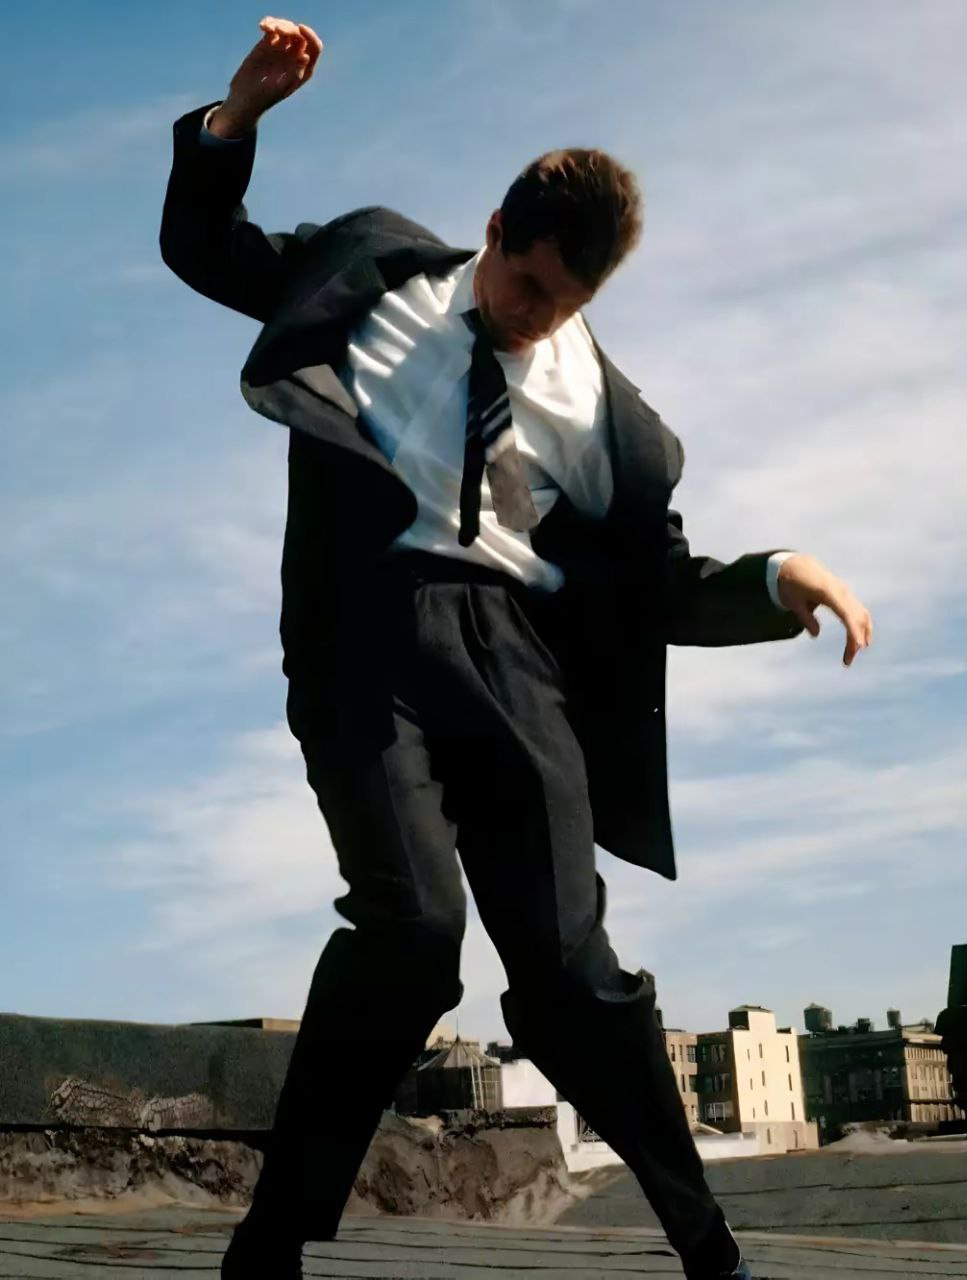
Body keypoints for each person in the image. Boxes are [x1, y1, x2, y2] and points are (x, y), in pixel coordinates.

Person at [160, 17, 873, 1280]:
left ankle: (707, 1243)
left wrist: (777, 576)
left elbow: (658, 583)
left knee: (574, 974)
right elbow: (206, 249)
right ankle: (272, 1238)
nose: (537, 319)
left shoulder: (608, 415)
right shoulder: (372, 268)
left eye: (568, 303)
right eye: (527, 285)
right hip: (364, 638)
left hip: (512, 661)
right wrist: (237, 120)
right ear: (494, 231)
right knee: (413, 932)